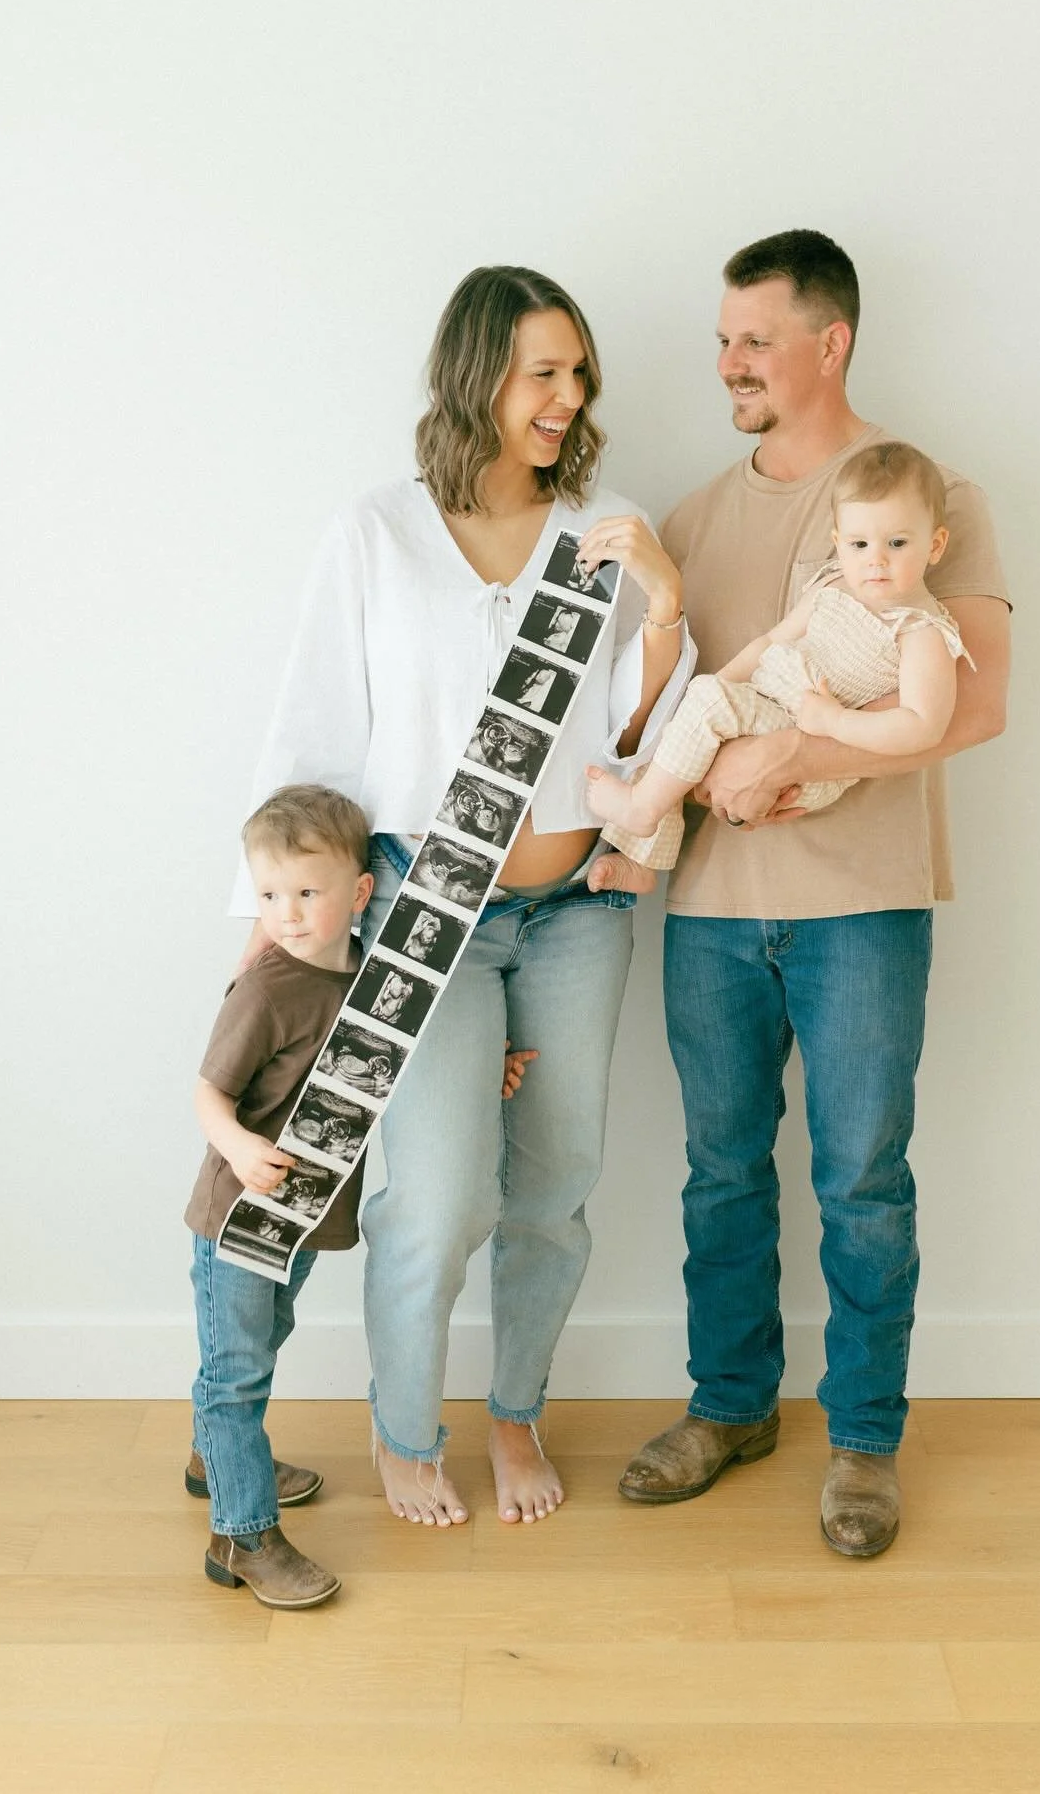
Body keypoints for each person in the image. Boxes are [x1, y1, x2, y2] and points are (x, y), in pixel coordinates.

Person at [233, 265, 692, 1527]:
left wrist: (662, 603)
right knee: (432, 1195)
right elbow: (314, 735)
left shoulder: (605, 531)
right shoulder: (376, 533)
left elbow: (641, 741)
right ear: (478, 373)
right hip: (427, 920)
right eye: (543, 370)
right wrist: (275, 927)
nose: (568, 395)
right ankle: (404, 1424)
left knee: (557, 1182)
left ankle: (517, 1412)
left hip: (578, 914)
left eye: (579, 371)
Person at [615, 230, 1010, 1557]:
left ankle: (863, 1442)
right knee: (719, 1175)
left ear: (827, 342)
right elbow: (659, 714)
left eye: (753, 336)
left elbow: (980, 702)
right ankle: (730, 1408)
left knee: (862, 1182)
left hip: (864, 905)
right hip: (712, 913)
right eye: (721, 335)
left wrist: (804, 752)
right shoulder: (690, 518)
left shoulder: (923, 492)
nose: (725, 359)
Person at [586, 443, 972, 867]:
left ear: (935, 546)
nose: (875, 560)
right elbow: (770, 642)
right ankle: (641, 860)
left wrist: (835, 721)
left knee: (703, 708)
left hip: (811, 744)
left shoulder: (919, 631)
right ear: (838, 543)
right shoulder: (833, 586)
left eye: (897, 543)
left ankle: (641, 812)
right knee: (679, 717)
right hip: (767, 705)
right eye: (859, 544)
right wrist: (716, 687)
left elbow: (922, 726)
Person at [184, 783, 375, 1609]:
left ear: (360, 891)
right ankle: (243, 1530)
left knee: (261, 1342)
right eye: (269, 895)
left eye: (308, 891)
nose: (288, 912)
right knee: (237, 1371)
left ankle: (214, 1458)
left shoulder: (373, 983)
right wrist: (237, 1144)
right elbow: (206, 1094)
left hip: (301, 1221)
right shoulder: (264, 987)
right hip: (237, 1216)